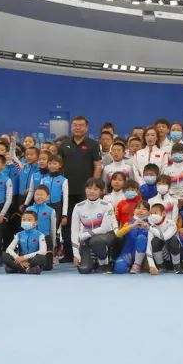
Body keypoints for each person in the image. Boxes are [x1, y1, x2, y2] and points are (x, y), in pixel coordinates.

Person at [58, 116, 97, 264]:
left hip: (86, 192)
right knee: (67, 223)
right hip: (67, 191)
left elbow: (98, 165)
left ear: (86, 128)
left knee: (87, 222)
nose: (77, 127)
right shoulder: (64, 144)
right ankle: (69, 254)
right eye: (74, 125)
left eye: (80, 125)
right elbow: (59, 166)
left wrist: (94, 186)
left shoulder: (93, 144)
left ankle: (86, 254)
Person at [71, 178, 118, 274]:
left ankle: (104, 263)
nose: (91, 191)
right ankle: (94, 260)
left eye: (96, 189)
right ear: (85, 189)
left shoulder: (107, 205)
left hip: (106, 235)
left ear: (102, 191)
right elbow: (74, 231)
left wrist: (86, 234)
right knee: (84, 270)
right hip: (87, 239)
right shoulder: (78, 207)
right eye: (89, 188)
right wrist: (76, 254)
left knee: (96, 241)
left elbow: (104, 228)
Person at [147, 202, 182, 274]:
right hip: (163, 258)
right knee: (154, 241)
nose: (153, 215)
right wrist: (152, 266)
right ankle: (161, 266)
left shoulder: (171, 223)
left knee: (173, 240)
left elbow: (165, 237)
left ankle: (177, 266)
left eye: (155, 213)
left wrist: (150, 229)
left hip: (175, 256)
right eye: (151, 213)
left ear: (163, 214)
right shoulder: (152, 226)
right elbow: (149, 247)